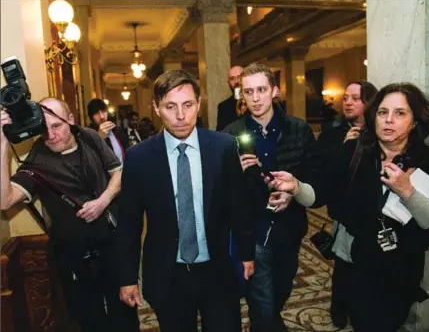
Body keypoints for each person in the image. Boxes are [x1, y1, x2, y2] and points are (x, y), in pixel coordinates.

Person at [116, 69, 255, 332]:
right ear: (157, 108)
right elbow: (129, 224)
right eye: (170, 106)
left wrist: (247, 254)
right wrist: (127, 278)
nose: (180, 116)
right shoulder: (139, 157)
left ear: (198, 104)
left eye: (188, 105)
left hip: (217, 269)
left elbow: (239, 205)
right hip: (168, 275)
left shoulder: (223, 146)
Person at [0, 98, 139, 332]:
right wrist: (3, 145)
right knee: (90, 323)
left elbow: (118, 173)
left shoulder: (89, 137)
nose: (51, 135)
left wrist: (102, 202)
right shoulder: (36, 162)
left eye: (57, 126)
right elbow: (5, 201)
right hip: (73, 258)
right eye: (44, 129)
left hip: (111, 246)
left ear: (71, 120)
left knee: (125, 318)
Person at [326, 83, 429, 331]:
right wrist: (296, 187)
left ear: (415, 121)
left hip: (402, 269)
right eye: (382, 112)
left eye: (400, 113)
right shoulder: (355, 153)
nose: (388, 120)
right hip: (359, 266)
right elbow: (327, 195)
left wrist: (407, 191)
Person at [223, 63, 322, 331]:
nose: (255, 98)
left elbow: (315, 180)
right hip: (253, 232)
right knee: (262, 306)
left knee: (282, 290)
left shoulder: (298, 129)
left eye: (261, 90)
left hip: (289, 229)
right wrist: (237, 173)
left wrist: (292, 192)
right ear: (241, 94)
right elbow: (221, 194)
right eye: (248, 91)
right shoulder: (229, 135)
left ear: (274, 91)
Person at [316, 80, 378, 328]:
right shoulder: (333, 130)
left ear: (369, 103)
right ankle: (338, 309)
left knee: (363, 266)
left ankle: (358, 307)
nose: (348, 102)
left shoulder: (379, 133)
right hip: (343, 210)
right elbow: (323, 170)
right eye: (346, 98)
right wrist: (345, 147)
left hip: (370, 213)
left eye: (356, 98)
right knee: (343, 262)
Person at [87, 98, 129, 163]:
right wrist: (99, 138)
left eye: (103, 111)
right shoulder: (87, 135)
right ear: (91, 117)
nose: (102, 117)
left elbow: (126, 152)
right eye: (96, 113)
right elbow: (89, 161)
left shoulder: (117, 130)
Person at [216, 65, 244, 131]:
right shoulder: (223, 107)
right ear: (228, 83)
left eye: (240, 77)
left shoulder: (255, 101)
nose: (236, 81)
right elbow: (221, 133)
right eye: (232, 78)